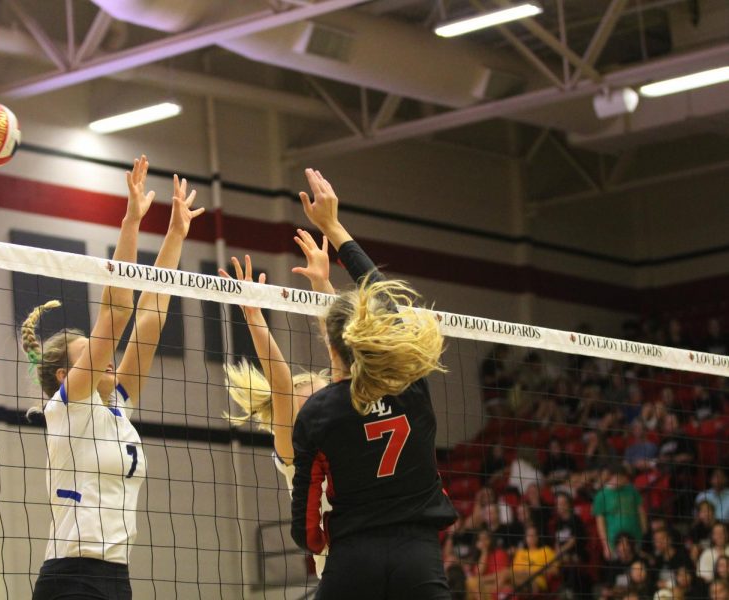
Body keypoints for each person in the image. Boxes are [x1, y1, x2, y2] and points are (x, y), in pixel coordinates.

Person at [23, 158, 203, 600]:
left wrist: (175, 236)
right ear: (67, 375)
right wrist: (130, 222)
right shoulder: (68, 405)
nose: (107, 360)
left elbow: (152, 316)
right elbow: (116, 313)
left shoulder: (117, 405)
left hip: (116, 577)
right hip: (70, 579)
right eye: (92, 356)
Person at [290, 168, 457, 599]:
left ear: (332, 346)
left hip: (352, 556)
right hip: (417, 554)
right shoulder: (412, 380)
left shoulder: (319, 410)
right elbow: (385, 299)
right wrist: (333, 225)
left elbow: (306, 507)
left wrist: (313, 542)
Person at [220, 246, 332, 575]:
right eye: (310, 408)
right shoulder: (295, 459)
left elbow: (343, 351)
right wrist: (255, 318)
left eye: (324, 400)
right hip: (340, 578)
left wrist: (324, 287)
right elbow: (281, 387)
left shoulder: (354, 436)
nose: (322, 411)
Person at [594, 462, 647, 560]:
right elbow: (600, 523)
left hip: (636, 536)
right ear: (612, 476)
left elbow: (641, 512)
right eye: (622, 478)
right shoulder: (601, 496)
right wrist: (606, 545)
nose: (625, 480)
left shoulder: (631, 490)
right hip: (614, 540)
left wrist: (644, 532)